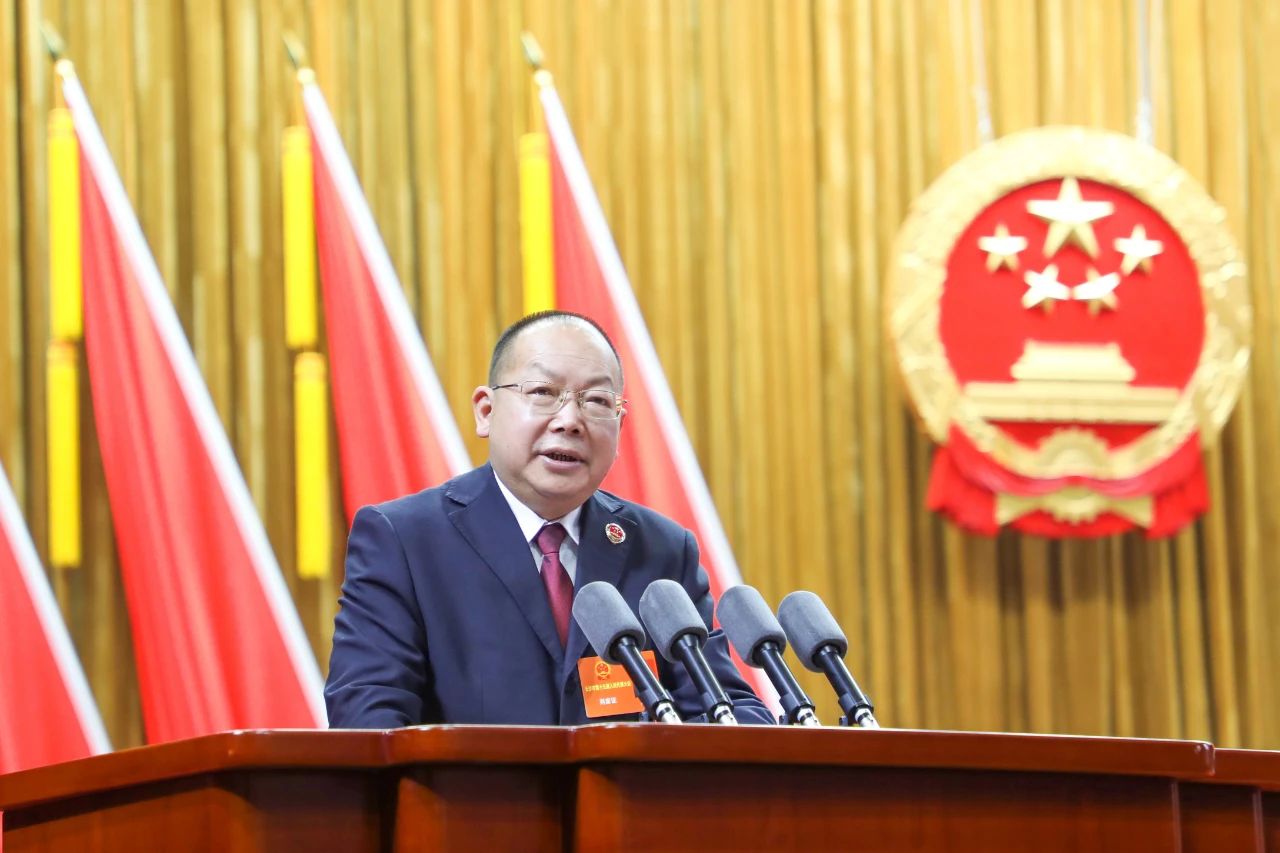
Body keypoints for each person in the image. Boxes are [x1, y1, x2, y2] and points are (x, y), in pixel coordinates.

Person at [325, 310, 772, 726]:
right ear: (486, 411)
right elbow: (369, 722)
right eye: (543, 393)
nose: (570, 420)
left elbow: (725, 712)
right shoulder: (405, 540)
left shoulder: (661, 550)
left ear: (619, 426)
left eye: (597, 400)